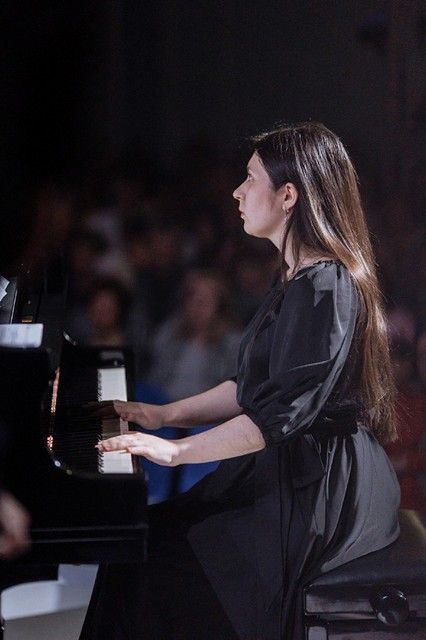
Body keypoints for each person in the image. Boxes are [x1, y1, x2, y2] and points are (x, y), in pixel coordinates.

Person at [79, 122, 400, 640]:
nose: (237, 191)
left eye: (250, 178)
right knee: (137, 544)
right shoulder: (296, 277)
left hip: (318, 494)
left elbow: (280, 415)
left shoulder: (325, 285)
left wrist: (176, 452)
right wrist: (163, 415)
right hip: (286, 469)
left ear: (289, 195)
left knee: (153, 565)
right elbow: (252, 386)